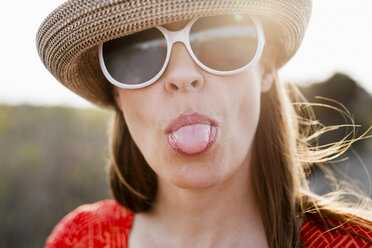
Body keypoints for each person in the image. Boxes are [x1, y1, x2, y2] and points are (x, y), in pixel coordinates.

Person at [36, 0, 372, 247]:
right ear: (117, 96)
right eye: (138, 53)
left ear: (265, 69)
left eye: (223, 39)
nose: (184, 76)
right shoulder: (78, 239)